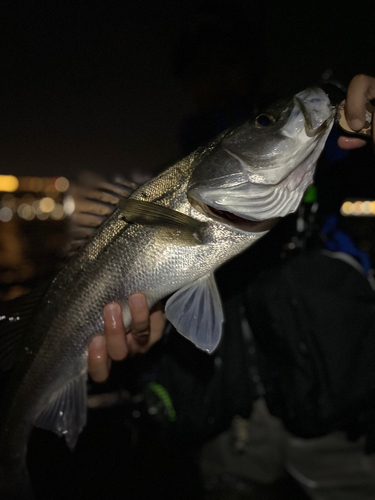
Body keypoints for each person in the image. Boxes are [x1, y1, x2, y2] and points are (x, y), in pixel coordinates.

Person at [86, 74, 375, 384]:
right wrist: (156, 325)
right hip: (222, 396)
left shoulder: (327, 154)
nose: (214, 75)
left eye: (226, 59)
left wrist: (363, 117)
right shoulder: (177, 165)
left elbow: (356, 166)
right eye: (200, 67)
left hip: (317, 365)